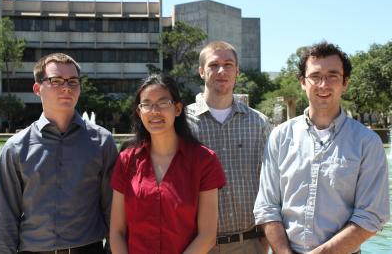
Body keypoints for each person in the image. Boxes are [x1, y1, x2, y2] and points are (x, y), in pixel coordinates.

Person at [254, 42, 390, 254]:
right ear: (302, 82)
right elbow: (267, 207)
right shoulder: (279, 137)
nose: (323, 84)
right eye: (315, 76)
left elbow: (372, 215)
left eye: (333, 76)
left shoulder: (367, 142)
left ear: (345, 83)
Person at [0, 53, 118, 254]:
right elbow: (4, 216)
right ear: (37, 88)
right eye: (56, 81)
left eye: (73, 81)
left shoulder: (103, 142)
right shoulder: (16, 147)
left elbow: (113, 210)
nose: (66, 87)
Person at [110, 75, 226, 254]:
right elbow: (117, 232)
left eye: (163, 103)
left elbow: (207, 235)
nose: (154, 111)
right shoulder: (127, 160)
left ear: (178, 109)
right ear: (139, 112)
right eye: (146, 104)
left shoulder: (204, 161)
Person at [186, 41, 271, 254]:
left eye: (228, 64)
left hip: (250, 244)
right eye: (213, 65)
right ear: (201, 72)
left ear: (237, 71)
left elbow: (272, 183)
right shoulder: (182, 124)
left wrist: (265, 241)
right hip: (196, 245)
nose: (221, 71)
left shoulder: (259, 123)